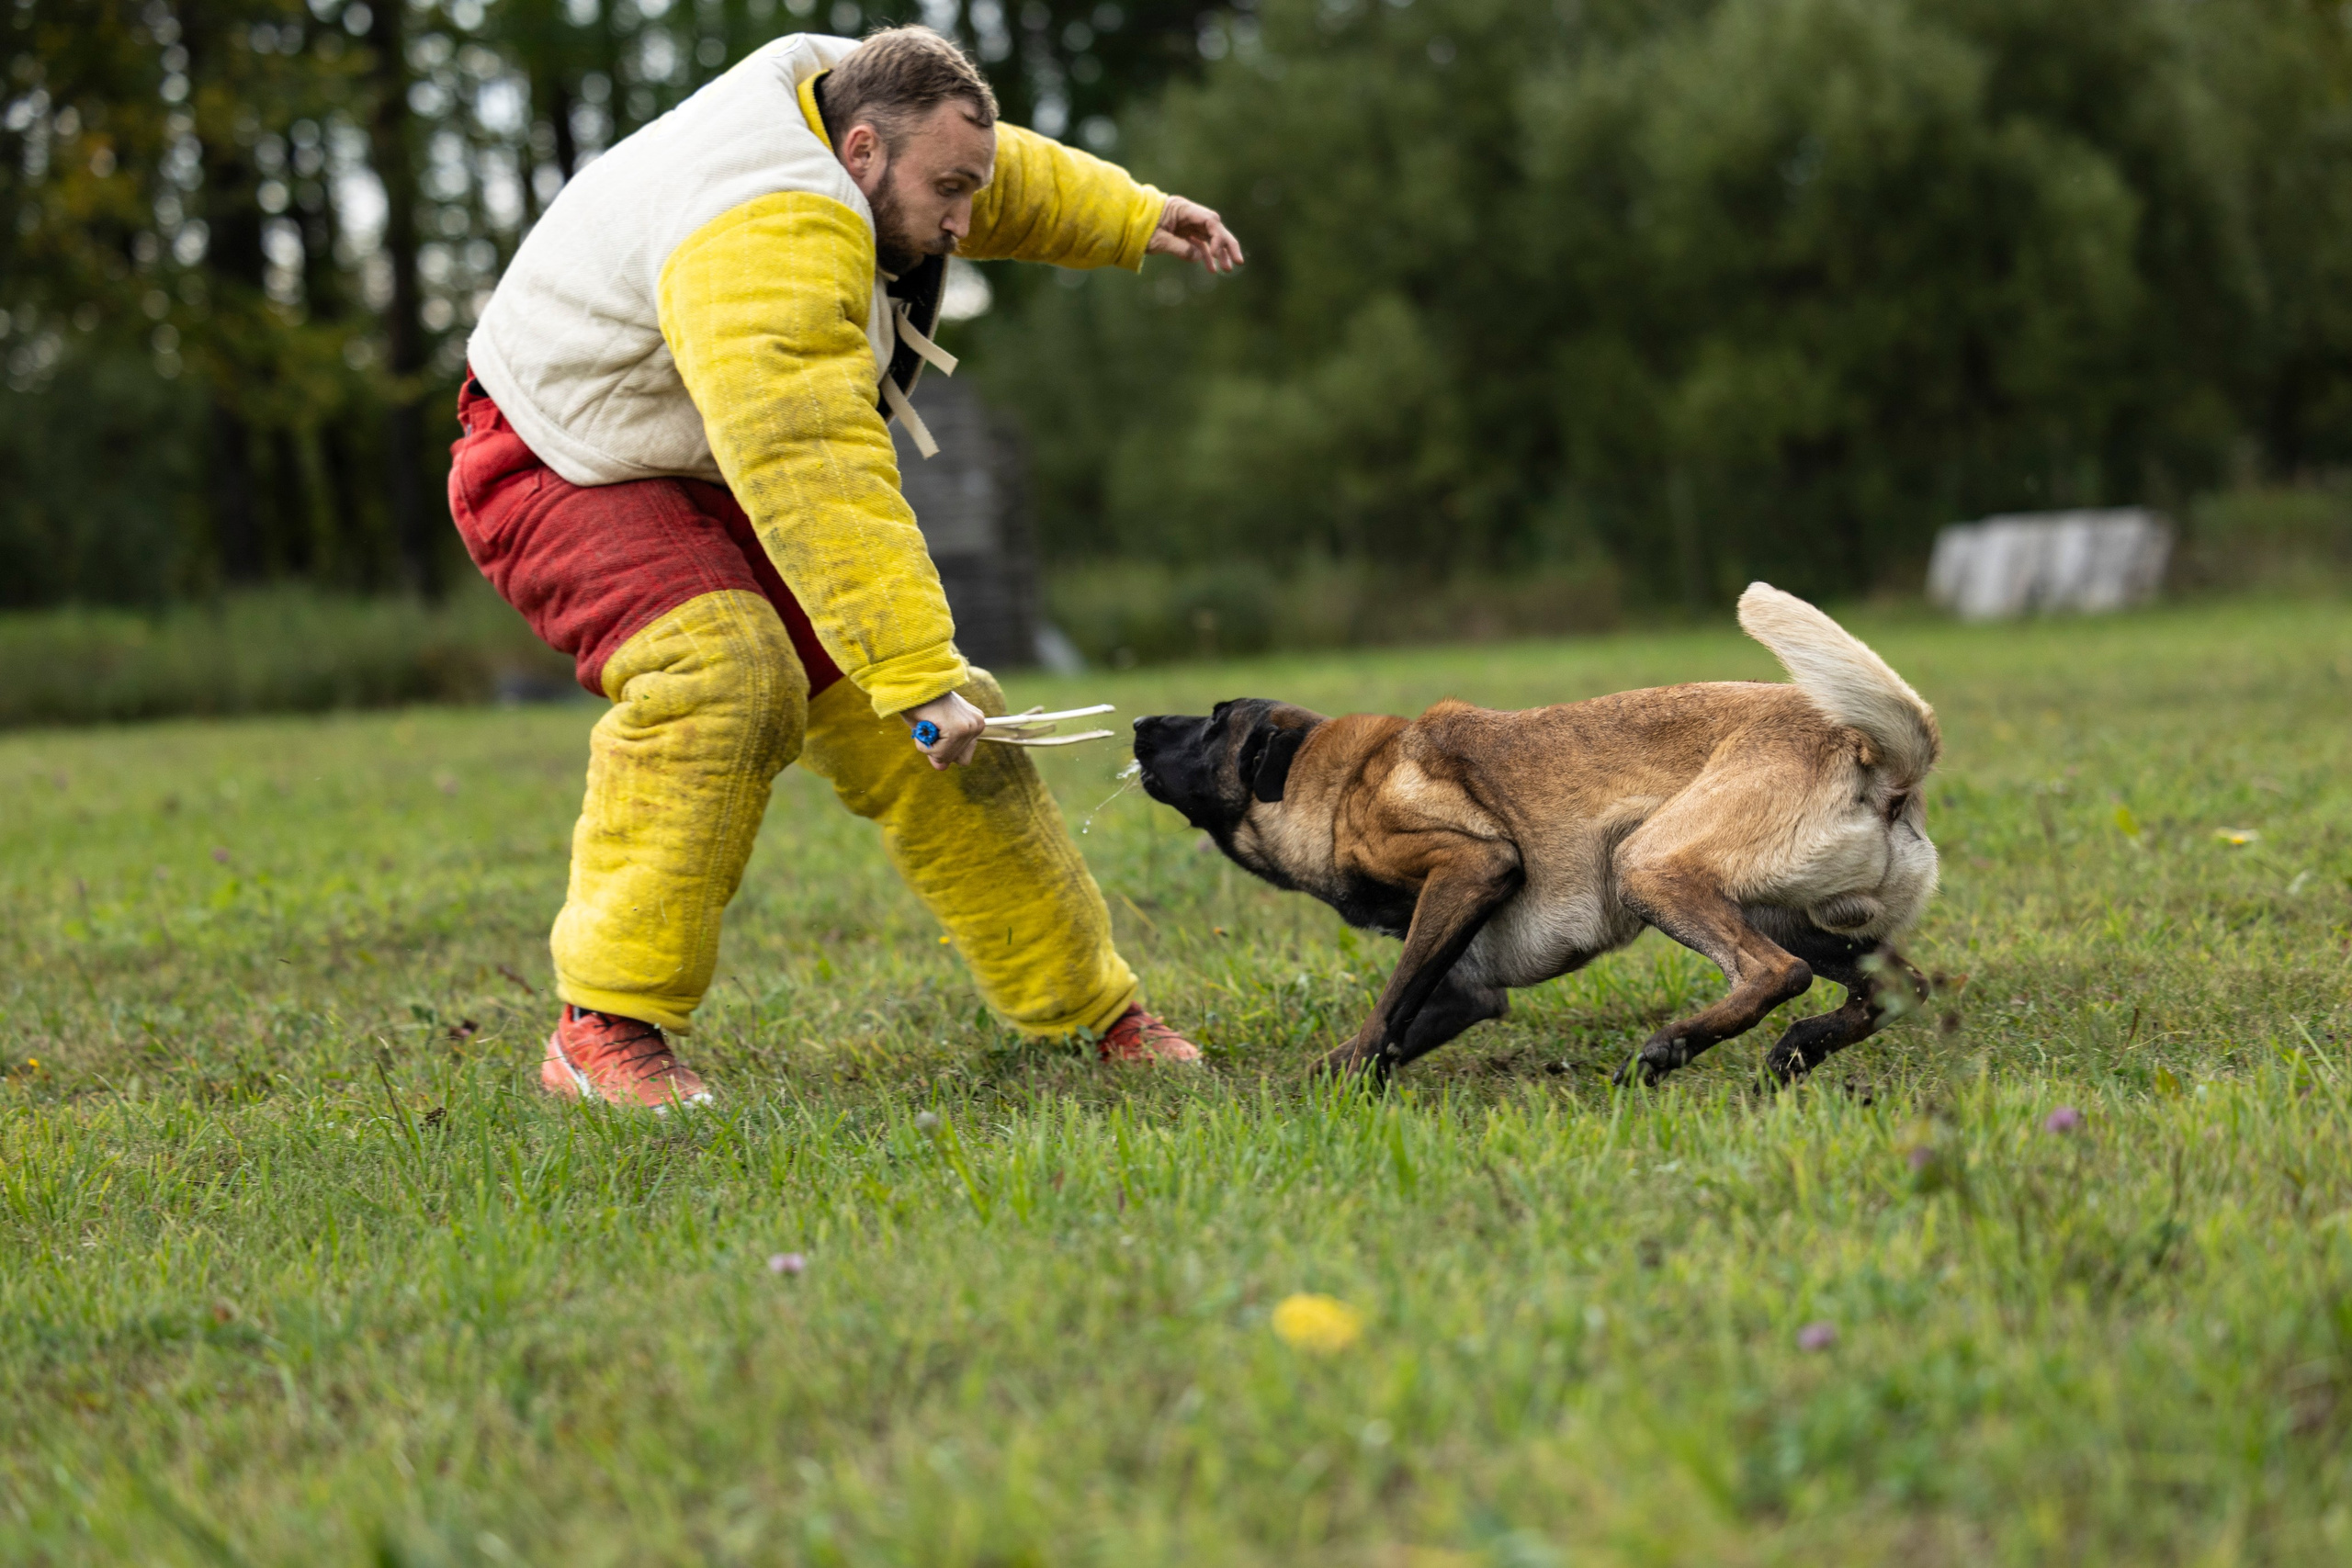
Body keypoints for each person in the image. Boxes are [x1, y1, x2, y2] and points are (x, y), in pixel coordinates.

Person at [448, 26, 1243, 1108]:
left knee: (957, 729)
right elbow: (813, 462)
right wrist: (913, 669)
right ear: (857, 153)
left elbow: (986, 169)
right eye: (945, 193)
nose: (961, 222)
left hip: (710, 460)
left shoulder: (861, 97)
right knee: (724, 677)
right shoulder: (768, 225)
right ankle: (602, 1032)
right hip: (562, 457)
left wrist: (1136, 214)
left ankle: (1091, 1014)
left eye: (969, 189)